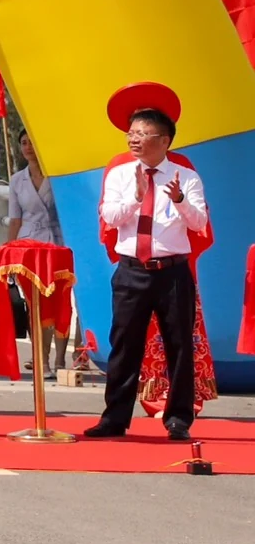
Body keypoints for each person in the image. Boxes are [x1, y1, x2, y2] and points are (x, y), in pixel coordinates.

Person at [85, 83, 215, 441]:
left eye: (143, 134)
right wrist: (135, 198)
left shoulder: (186, 177)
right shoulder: (119, 174)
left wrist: (180, 202)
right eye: (132, 133)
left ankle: (178, 419)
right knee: (124, 345)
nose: (134, 140)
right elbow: (109, 216)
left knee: (179, 345)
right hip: (131, 272)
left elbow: (200, 223)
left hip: (172, 272)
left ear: (165, 140)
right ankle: (114, 418)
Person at [2, 127, 68, 374]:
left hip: (57, 244)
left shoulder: (58, 175)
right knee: (34, 303)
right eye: (23, 143)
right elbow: (15, 219)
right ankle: (42, 359)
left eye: (32, 142)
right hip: (28, 246)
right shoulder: (17, 180)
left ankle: (60, 360)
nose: (28, 147)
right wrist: (7, 252)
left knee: (59, 303)